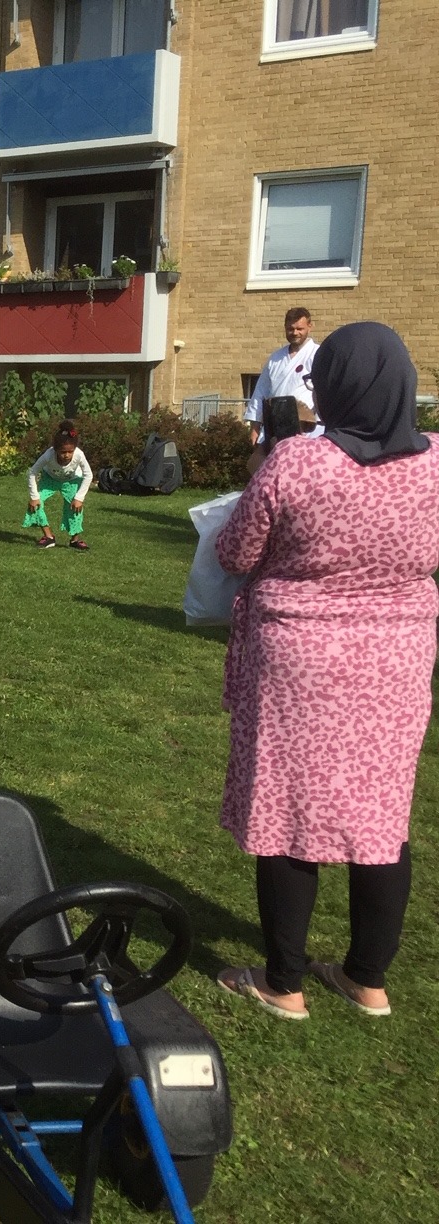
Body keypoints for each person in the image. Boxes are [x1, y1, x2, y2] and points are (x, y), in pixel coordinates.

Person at [214, 322, 438, 1021]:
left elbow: (235, 551)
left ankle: (284, 983)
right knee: (382, 813)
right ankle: (367, 978)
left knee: (286, 810)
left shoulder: (297, 462)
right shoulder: (437, 464)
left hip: (300, 660)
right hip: (397, 661)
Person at [244, 307, 320, 446]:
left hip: (306, 428)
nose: (295, 333)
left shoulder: (317, 354)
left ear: (310, 326)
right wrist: (255, 426)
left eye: (300, 329)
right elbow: (260, 392)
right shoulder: (275, 358)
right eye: (290, 329)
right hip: (275, 425)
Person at [24, 419, 92, 550]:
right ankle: (48, 537)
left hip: (71, 480)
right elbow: (32, 472)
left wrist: (79, 498)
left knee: (75, 507)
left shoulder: (79, 455)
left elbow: (88, 475)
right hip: (50, 479)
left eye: (70, 451)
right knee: (36, 504)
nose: (67, 455)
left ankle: (75, 540)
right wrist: (34, 496)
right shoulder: (48, 455)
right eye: (63, 452)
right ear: (55, 450)